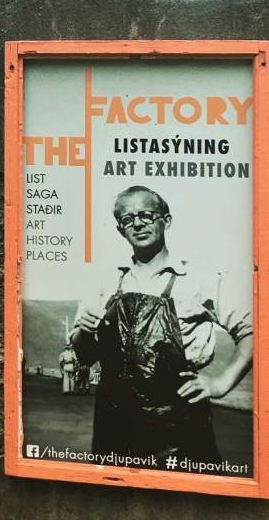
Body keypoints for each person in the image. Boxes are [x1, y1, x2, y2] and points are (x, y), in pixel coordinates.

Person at [70, 185, 252, 465]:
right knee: (114, 502)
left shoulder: (199, 278)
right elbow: (85, 354)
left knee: (187, 504)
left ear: (166, 220)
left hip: (179, 424)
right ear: (120, 230)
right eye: (128, 219)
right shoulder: (106, 282)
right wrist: (83, 330)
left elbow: (253, 332)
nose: (138, 223)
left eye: (146, 215)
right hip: (113, 422)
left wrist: (220, 384)